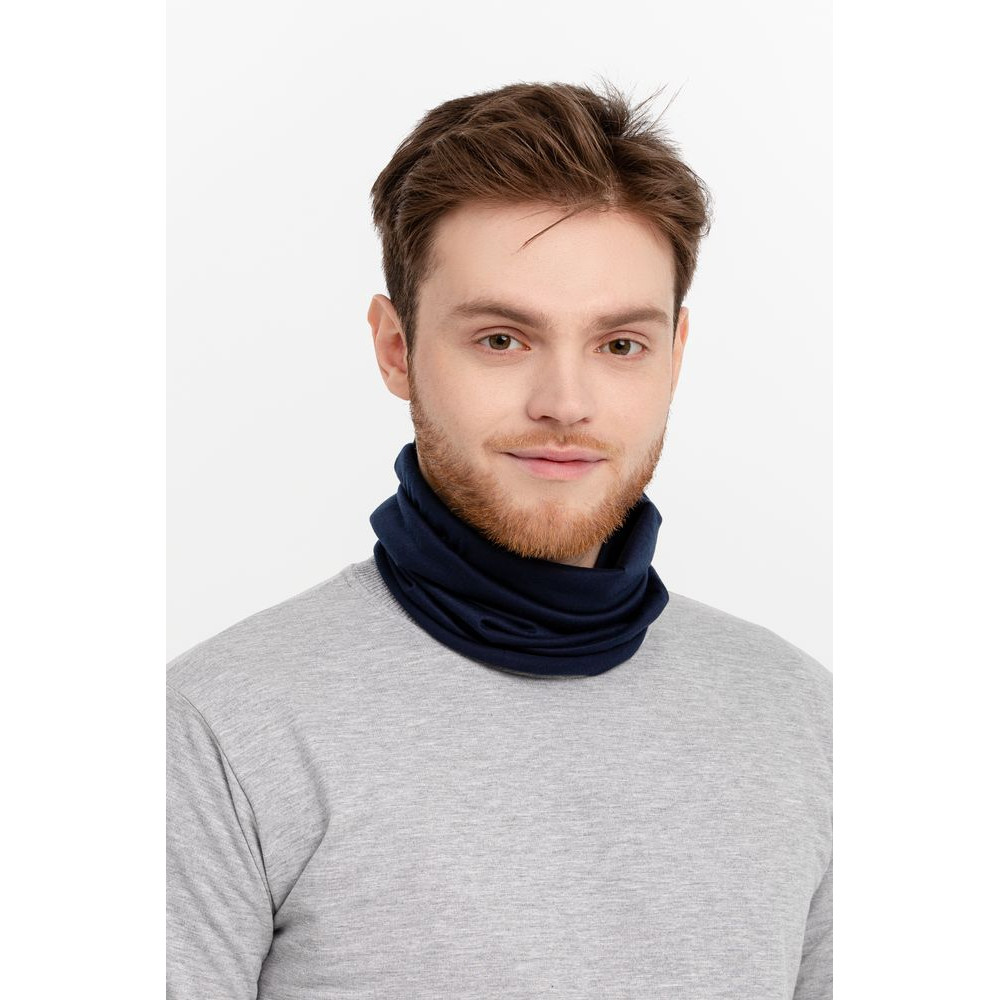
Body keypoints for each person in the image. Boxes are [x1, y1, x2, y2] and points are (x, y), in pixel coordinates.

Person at [167, 80, 832, 999]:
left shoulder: (804, 721)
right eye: (501, 339)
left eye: (620, 345)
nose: (565, 403)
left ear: (676, 354)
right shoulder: (215, 731)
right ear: (396, 349)